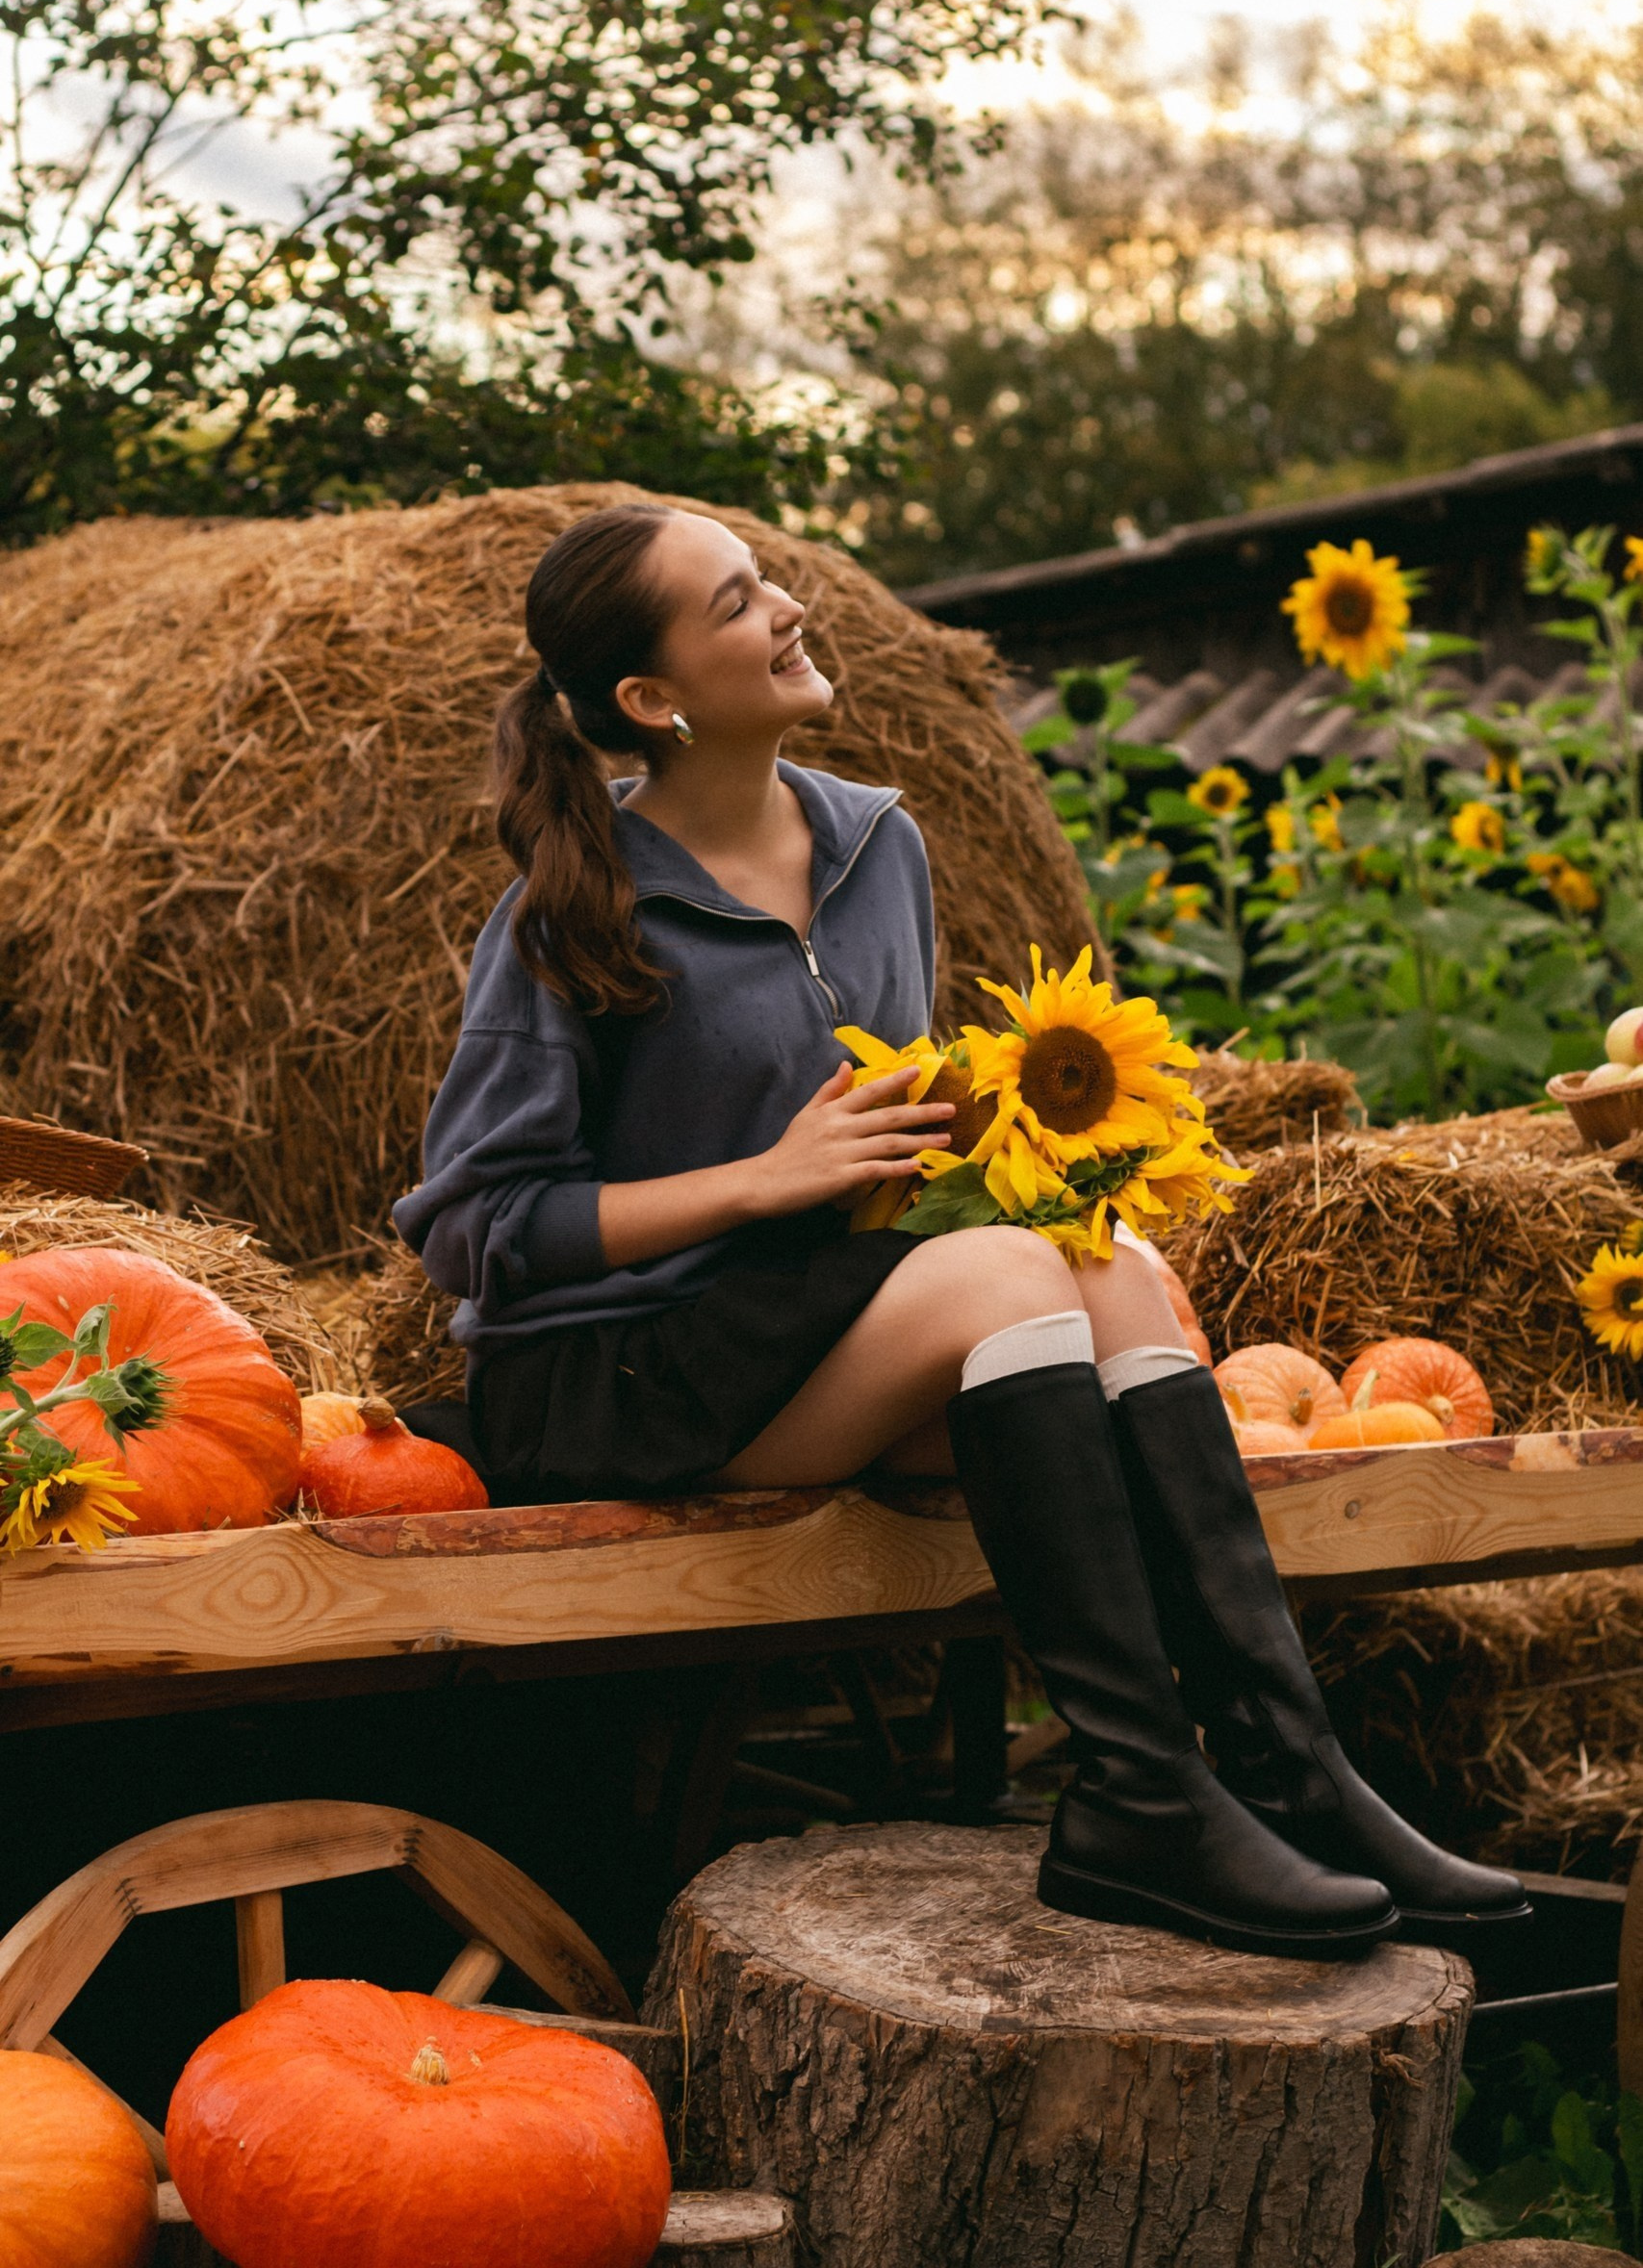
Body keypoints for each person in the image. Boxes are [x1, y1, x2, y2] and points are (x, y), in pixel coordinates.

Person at [395, 500, 1527, 1958]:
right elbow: (477, 1223)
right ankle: (1140, 1794)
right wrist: (765, 1178)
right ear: (652, 700)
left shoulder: (880, 844)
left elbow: (900, 1155)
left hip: (817, 1324)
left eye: (771, 580)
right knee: (1008, 1271)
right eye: (738, 603)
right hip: (622, 1379)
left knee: (1108, 1262)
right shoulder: (571, 907)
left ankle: (1276, 1764)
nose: (790, 609)